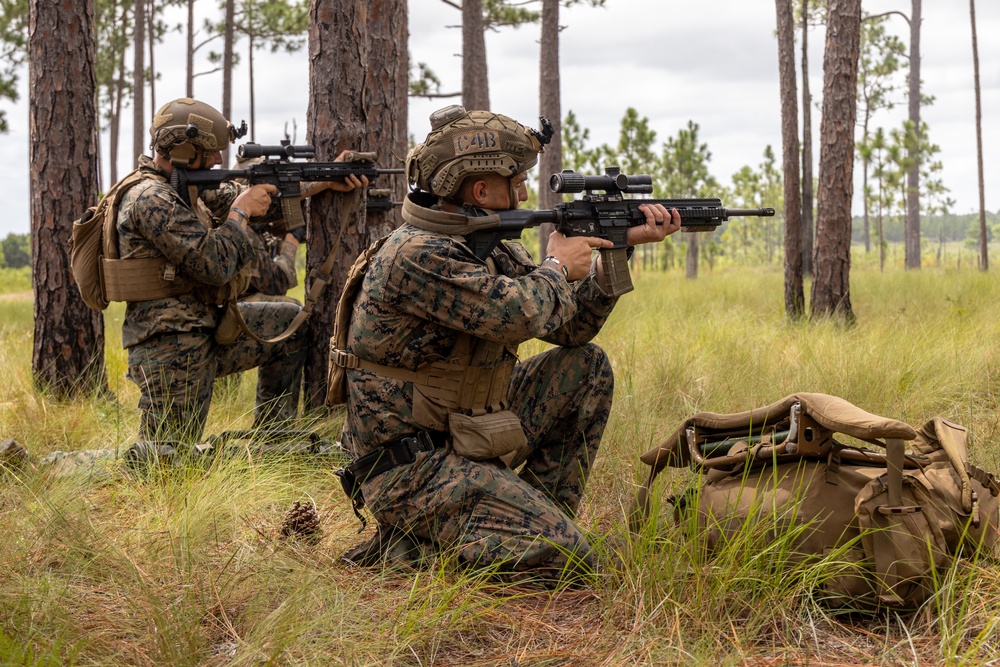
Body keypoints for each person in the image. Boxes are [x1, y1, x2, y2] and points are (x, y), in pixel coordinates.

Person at [334, 105, 681, 583]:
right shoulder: (418, 254)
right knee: (572, 560)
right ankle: (414, 548)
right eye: (517, 182)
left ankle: (535, 518)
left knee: (586, 368)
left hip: (460, 430)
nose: (524, 193)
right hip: (411, 466)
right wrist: (557, 267)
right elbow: (518, 314)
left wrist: (615, 249)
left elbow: (568, 331)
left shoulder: (484, 241)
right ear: (481, 190)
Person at [115, 97, 365, 447]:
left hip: (204, 329)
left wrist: (323, 179)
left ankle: (272, 441)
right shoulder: (150, 198)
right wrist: (240, 214)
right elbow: (214, 265)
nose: (219, 160)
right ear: (185, 151)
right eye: (211, 152)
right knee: (165, 457)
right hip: (170, 346)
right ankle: (59, 463)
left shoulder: (185, 188)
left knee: (289, 325)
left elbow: (254, 197)